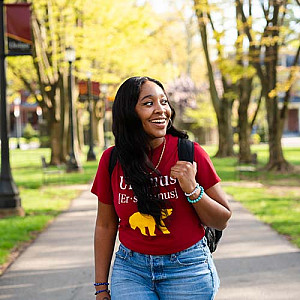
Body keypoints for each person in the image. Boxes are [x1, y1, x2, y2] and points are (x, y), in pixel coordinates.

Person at [91, 76, 232, 300]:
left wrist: (192, 189)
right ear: (129, 112)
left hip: (188, 268)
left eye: (164, 102)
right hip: (131, 270)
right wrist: (100, 286)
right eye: (148, 103)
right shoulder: (112, 160)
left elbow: (221, 219)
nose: (160, 110)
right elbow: (106, 225)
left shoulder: (190, 154)